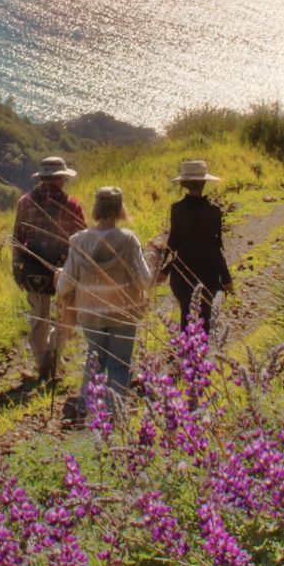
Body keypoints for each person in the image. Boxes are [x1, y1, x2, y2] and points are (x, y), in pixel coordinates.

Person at [56, 186, 155, 417]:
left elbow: (64, 286)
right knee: (119, 364)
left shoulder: (79, 242)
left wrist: (59, 276)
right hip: (123, 314)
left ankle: (86, 410)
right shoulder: (129, 241)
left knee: (95, 360)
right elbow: (144, 281)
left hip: (91, 314)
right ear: (120, 209)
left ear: (96, 209)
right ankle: (116, 417)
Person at [12, 156, 85, 381]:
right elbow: (82, 239)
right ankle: (54, 357)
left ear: (42, 178)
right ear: (62, 179)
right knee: (65, 315)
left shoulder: (25, 202)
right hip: (64, 267)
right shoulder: (72, 205)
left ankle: (42, 361)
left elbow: (17, 239)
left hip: (33, 267)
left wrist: (17, 268)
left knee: (39, 316)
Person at [165, 160, 233, 330]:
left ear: (184, 184)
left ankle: (186, 351)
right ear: (204, 183)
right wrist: (226, 278)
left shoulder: (177, 209)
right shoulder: (214, 210)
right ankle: (200, 353)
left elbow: (173, 243)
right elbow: (216, 246)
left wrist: (163, 271)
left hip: (182, 272)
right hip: (208, 271)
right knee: (205, 315)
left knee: (186, 312)